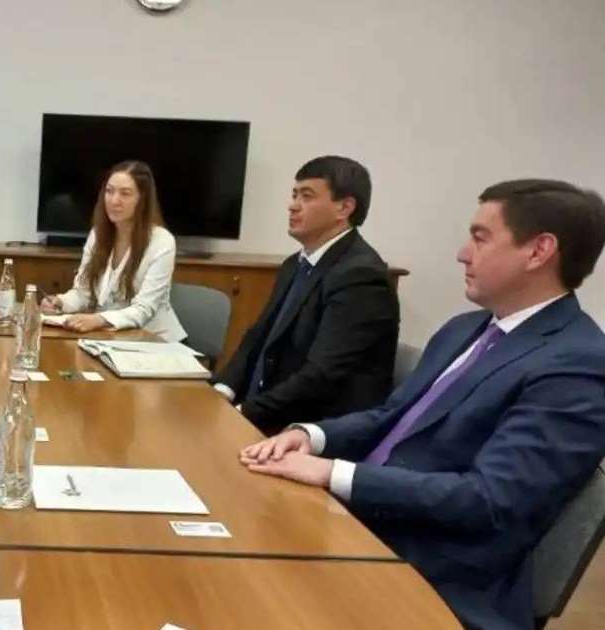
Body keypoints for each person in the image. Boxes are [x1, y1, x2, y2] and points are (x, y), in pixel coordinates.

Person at [240, 179, 605, 630]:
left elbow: (489, 500)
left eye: (480, 237)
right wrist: (310, 437)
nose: (462, 254)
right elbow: (391, 419)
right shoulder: (464, 327)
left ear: (539, 251)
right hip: (357, 525)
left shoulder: (578, 364)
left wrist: (335, 473)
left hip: (430, 576)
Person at [213, 156, 399, 434]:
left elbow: (321, 376)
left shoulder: (361, 276)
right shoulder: (295, 264)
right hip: (269, 411)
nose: (292, 205)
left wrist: (242, 414)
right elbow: (258, 337)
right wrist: (222, 391)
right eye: (294, 194)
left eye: (307, 196)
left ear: (344, 208)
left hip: (310, 430)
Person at [40, 160, 186, 342]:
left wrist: (98, 319)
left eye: (125, 194)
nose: (114, 200)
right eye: (109, 191)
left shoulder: (162, 241)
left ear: (142, 199)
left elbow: (144, 309)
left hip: (156, 342)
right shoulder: (98, 235)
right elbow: (83, 293)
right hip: (111, 340)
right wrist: (60, 303)